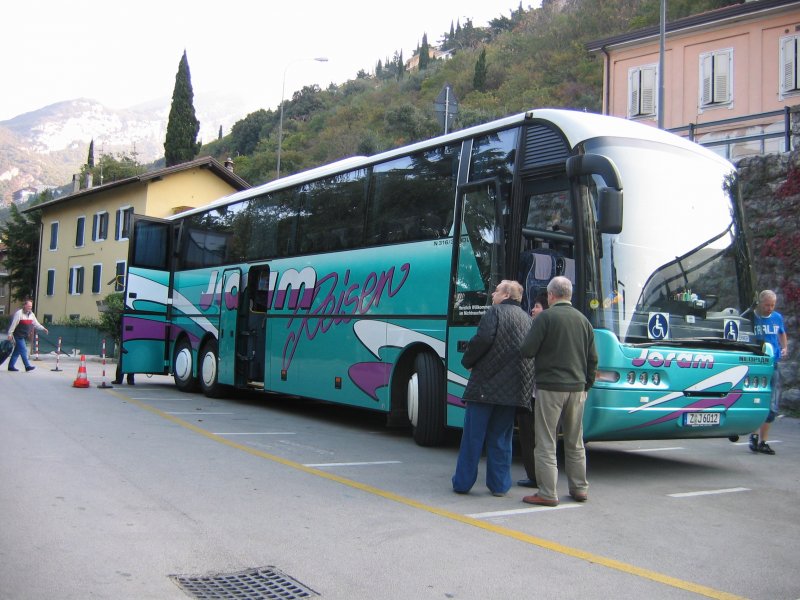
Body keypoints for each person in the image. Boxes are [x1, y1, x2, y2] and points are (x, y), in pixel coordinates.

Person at [452, 280, 535, 496]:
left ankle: (462, 483)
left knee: (473, 438)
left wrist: (468, 361)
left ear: (506, 294)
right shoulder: (527, 319)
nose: (492, 295)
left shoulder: (495, 312)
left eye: (496, 290)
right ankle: (499, 485)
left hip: (485, 388)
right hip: (512, 392)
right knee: (501, 439)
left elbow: (483, 339)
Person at [520, 276, 597, 506]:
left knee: (546, 440)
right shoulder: (584, 321)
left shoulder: (545, 318)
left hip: (549, 387)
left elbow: (527, 350)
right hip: (577, 388)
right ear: (569, 295)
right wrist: (586, 385)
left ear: (551, 296)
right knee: (575, 441)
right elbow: (593, 359)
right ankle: (579, 488)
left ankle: (547, 492)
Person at [749, 289, 788, 455]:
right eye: (767, 305)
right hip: (758, 363)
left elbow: (782, 333)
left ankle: (763, 440)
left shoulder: (777, 318)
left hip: (773, 362)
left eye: (772, 305)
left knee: (772, 404)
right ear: (760, 303)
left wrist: (784, 347)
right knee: (757, 400)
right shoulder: (753, 318)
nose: (770, 308)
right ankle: (754, 435)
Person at [517, 290, 548, 488]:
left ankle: (535, 476)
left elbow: (526, 352)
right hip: (548, 391)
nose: (532, 309)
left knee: (530, 435)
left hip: (534, 392)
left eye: (537, 306)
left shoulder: (538, 327)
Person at [7, 299, 49, 372]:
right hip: (18, 335)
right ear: (25, 305)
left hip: (23, 336)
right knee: (23, 350)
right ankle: (27, 366)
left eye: (31, 306)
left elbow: (36, 324)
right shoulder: (19, 313)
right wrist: (10, 334)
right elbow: (13, 324)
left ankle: (11, 366)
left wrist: (43, 328)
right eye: (28, 306)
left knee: (17, 351)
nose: (30, 307)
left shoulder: (31, 314)